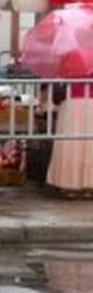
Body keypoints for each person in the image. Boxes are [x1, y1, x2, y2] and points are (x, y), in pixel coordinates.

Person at [46, 55, 93, 197]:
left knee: (70, 143)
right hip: (90, 103)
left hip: (70, 104)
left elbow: (57, 85)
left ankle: (68, 184)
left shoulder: (66, 57)